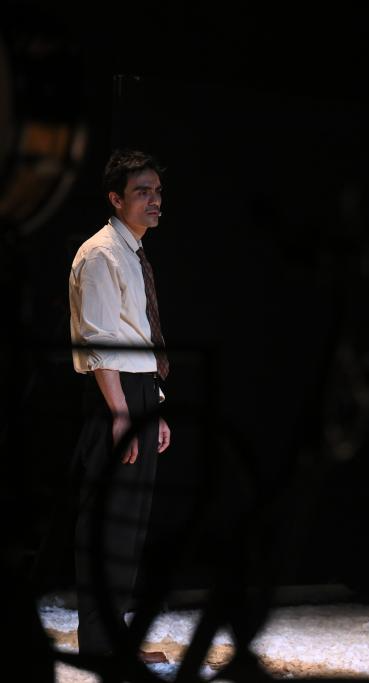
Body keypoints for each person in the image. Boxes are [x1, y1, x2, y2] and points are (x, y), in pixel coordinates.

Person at [68, 149, 171, 664]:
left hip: (137, 392)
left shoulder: (132, 251)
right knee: (108, 525)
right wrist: (122, 412)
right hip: (115, 396)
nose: (154, 200)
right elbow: (100, 339)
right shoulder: (100, 254)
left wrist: (155, 404)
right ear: (115, 198)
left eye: (157, 191)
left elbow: (137, 334)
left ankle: (117, 641)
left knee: (130, 526)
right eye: (141, 192)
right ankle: (100, 645)